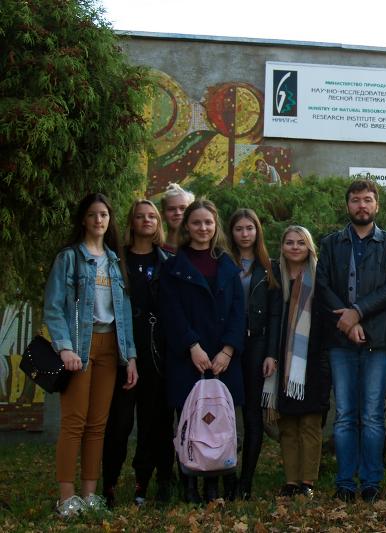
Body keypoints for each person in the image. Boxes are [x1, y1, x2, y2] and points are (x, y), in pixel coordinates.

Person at [43, 193, 138, 517]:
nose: (99, 220)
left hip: (111, 346)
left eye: (104, 215)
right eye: (93, 214)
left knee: (98, 424)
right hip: (79, 348)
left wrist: (131, 356)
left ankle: (89, 494)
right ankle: (66, 497)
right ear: (83, 219)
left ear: (110, 220)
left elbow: (124, 312)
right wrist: (64, 347)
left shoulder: (114, 261)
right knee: (74, 422)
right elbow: (54, 307)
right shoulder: (69, 258)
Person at [316, 179, 386, 503]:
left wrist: (358, 312)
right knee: (344, 415)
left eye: (367, 200)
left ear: (376, 205)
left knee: (372, 415)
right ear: (348, 205)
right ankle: (344, 482)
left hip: (377, 340)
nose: (361, 205)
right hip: (341, 341)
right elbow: (322, 285)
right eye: (355, 200)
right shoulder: (331, 243)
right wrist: (347, 323)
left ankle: (370, 481)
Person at [160, 199, 245, 503]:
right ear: (187, 226)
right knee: (188, 421)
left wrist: (228, 350)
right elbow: (171, 312)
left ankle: (214, 484)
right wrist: (191, 346)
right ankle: (189, 484)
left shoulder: (228, 266)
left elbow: (238, 312)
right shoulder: (173, 267)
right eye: (196, 222)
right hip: (188, 358)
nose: (203, 228)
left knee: (219, 422)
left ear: (215, 225)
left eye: (208, 222)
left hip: (222, 359)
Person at [102, 200, 174, 508]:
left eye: (152, 216)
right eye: (140, 216)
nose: (147, 220)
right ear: (131, 222)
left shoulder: (167, 260)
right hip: (122, 349)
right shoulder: (116, 259)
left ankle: (146, 483)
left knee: (153, 423)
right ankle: (108, 483)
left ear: (158, 222)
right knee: (119, 423)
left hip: (156, 351)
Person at [263, 226, 331, 499]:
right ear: (282, 246)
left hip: (312, 361)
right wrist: (271, 354)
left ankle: (307, 482)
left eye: (300, 243)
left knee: (310, 423)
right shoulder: (275, 277)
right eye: (289, 242)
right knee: (288, 425)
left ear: (309, 247)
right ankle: (291, 482)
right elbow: (270, 320)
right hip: (281, 360)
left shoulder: (319, 276)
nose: (294, 247)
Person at [227, 209, 280, 500]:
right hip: (227, 345)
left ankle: (245, 482)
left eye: (250, 228)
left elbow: (275, 314)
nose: (245, 234)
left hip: (257, 345)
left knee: (252, 414)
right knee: (226, 412)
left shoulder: (268, 267)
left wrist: (271, 353)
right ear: (231, 233)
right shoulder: (224, 263)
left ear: (257, 231)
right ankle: (225, 476)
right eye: (239, 229)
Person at [160, 183, 195, 253]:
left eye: (183, 208)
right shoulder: (156, 250)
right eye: (171, 209)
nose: (178, 213)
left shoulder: (201, 248)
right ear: (162, 215)